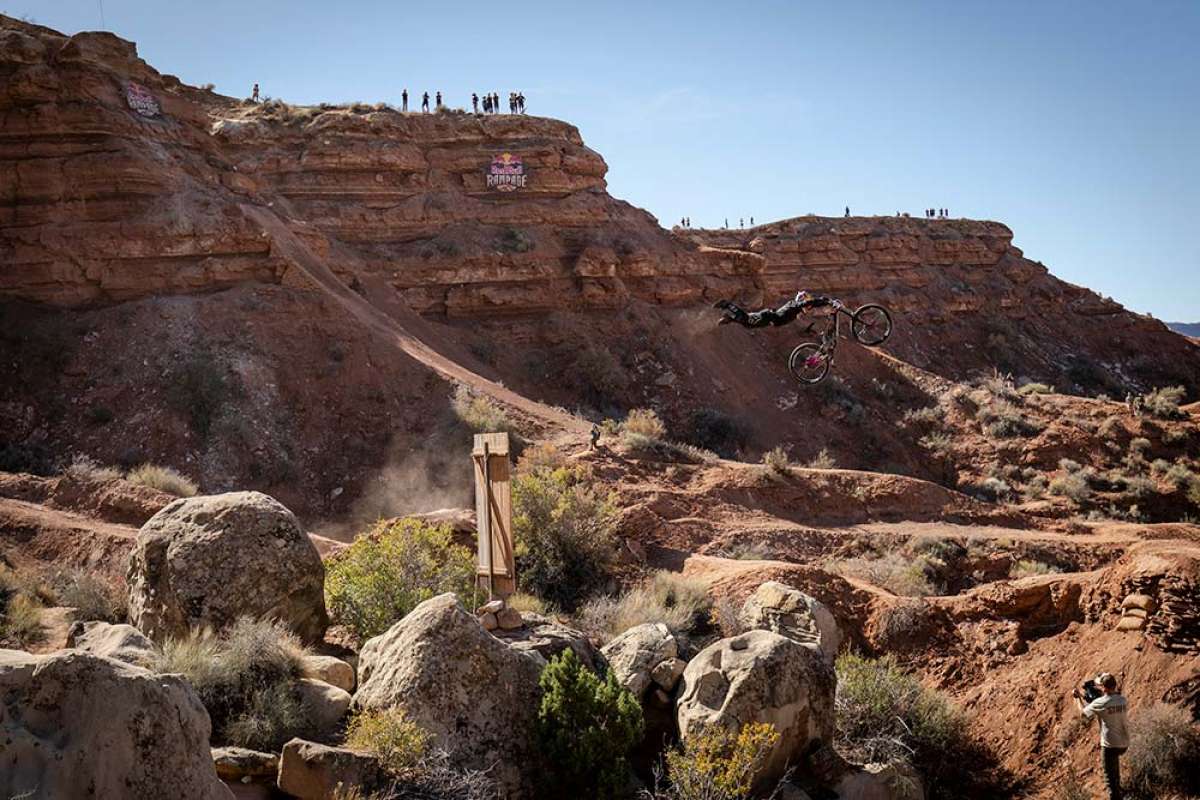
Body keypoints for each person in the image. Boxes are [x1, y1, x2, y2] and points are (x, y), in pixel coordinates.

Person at [1074, 673, 1130, 800]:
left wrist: (1077, 698)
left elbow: (1083, 714)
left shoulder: (1101, 702)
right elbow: (1106, 704)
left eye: (1100, 685)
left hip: (1110, 744)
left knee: (1109, 780)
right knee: (1114, 772)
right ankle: (1119, 792)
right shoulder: (1122, 700)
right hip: (1124, 743)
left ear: (1104, 688)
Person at [714, 290, 834, 329]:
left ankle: (729, 318)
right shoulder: (794, 305)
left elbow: (810, 304)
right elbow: (810, 302)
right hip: (767, 316)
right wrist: (824, 300)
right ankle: (726, 304)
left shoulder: (796, 309)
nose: (808, 307)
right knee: (746, 318)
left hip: (767, 320)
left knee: (748, 325)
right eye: (807, 304)